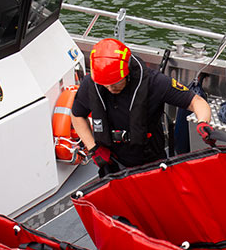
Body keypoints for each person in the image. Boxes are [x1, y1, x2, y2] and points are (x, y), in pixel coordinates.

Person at [71, 38, 215, 175]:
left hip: (150, 160)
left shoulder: (155, 82)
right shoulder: (92, 84)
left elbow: (196, 102)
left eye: (115, 83)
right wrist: (93, 149)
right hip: (112, 162)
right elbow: (77, 115)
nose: (110, 88)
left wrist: (203, 123)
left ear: (127, 73)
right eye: (105, 85)